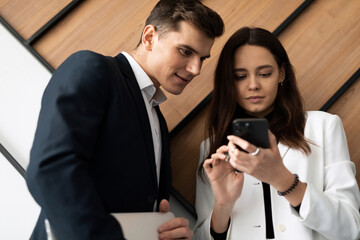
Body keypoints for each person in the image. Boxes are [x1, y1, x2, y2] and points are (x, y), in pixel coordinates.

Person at [25, 0, 224, 239]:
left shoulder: (157, 120)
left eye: (202, 58)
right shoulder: (91, 68)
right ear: (150, 37)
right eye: (186, 51)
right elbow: (50, 173)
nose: (196, 69)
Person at [194, 27, 360, 240]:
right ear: (228, 81)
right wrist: (223, 206)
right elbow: (200, 236)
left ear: (281, 73)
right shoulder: (211, 149)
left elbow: (350, 230)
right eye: (240, 76)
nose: (253, 85)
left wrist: (283, 179)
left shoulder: (324, 127)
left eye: (264, 74)